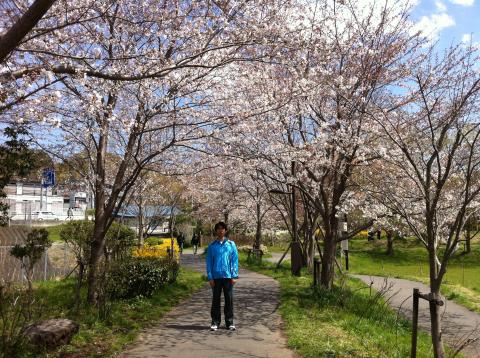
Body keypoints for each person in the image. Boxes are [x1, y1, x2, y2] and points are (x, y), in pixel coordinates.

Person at [206, 221, 238, 331]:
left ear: (225, 230)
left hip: (228, 277)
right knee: (216, 300)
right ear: (216, 231)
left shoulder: (231, 245)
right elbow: (209, 262)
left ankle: (229, 322)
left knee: (229, 300)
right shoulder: (211, 246)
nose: (220, 230)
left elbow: (234, 261)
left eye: (222, 228)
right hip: (216, 277)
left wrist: (234, 276)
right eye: (218, 228)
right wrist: (210, 277)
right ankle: (215, 322)